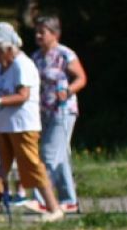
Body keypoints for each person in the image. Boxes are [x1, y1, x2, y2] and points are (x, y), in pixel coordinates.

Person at [0, 23, 66, 222]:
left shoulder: (22, 64)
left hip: (23, 125)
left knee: (32, 166)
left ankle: (54, 209)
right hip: (1, 125)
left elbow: (23, 95)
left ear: (9, 48)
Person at [32, 16, 88, 214]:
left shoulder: (65, 54)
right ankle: (69, 200)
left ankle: (40, 199)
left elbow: (81, 78)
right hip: (43, 112)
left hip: (63, 111)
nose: (38, 35)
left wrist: (68, 91)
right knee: (61, 154)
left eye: (43, 32)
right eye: (37, 31)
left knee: (48, 154)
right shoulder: (36, 57)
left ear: (55, 34)